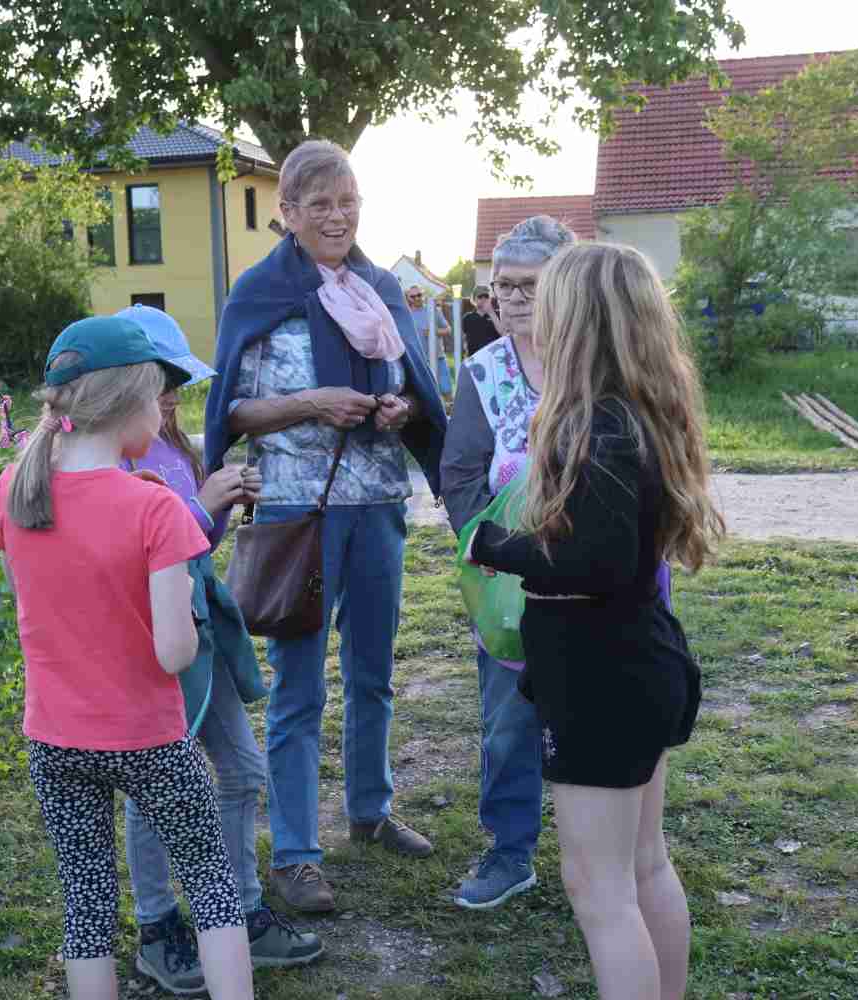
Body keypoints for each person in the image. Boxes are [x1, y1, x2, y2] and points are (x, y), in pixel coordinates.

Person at [466, 243, 723, 1000]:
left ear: (580, 319)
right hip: (633, 659)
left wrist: (496, 546)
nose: (532, 313)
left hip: (601, 675)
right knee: (644, 865)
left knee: (601, 888)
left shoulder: (598, 427)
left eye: (547, 300)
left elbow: (595, 564)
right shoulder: (636, 412)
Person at [204, 139, 449, 914]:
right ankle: (298, 855)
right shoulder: (260, 292)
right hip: (298, 513)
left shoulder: (377, 288)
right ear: (287, 213)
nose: (337, 217)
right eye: (320, 205)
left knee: (374, 670)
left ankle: (370, 812)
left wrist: (400, 409)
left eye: (348, 203)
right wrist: (312, 403)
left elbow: (412, 379)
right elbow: (232, 410)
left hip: (376, 503)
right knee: (300, 686)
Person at [0, 315, 254, 1000]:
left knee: (87, 911)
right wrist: (190, 618)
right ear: (134, 400)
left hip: (55, 738)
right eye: (160, 395)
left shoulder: (15, 491)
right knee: (214, 890)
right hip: (149, 739)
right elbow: (173, 653)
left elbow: (31, 597)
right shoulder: (154, 509)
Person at [441, 216, 672, 912]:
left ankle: (627, 855)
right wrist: (494, 554)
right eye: (500, 285)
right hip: (515, 586)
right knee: (509, 719)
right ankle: (510, 851)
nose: (510, 299)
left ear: (571, 290)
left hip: (608, 588)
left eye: (527, 285)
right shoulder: (482, 372)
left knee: (608, 719)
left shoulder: (614, 369)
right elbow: (460, 474)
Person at [112, 305, 324, 994]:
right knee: (156, 788)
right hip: (157, 639)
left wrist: (224, 504)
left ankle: (240, 909)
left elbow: (194, 544)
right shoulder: (116, 455)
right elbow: (141, 558)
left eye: (178, 380)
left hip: (207, 628)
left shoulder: (172, 442)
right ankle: (158, 927)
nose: (175, 392)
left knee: (240, 768)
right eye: (163, 380)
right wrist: (203, 506)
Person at [406, 284, 454, 396]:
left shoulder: (433, 310)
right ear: (408, 298)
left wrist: (434, 332)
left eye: (419, 295)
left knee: (446, 391)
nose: (417, 298)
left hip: (438, 357)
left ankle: (450, 412)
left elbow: (448, 329)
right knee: (426, 395)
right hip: (419, 360)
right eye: (413, 296)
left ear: (423, 295)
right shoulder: (407, 315)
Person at [462, 285, 502, 356]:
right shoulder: (468, 317)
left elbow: (503, 333)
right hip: (475, 356)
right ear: (474, 299)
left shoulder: (498, 314)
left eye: (486, 296)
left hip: (494, 356)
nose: (483, 299)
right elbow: (464, 338)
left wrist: (491, 312)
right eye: (480, 296)